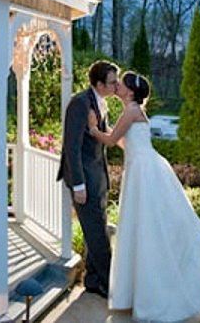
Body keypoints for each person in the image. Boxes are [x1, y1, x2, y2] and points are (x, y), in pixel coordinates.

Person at [88, 71, 200, 322]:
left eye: (122, 84)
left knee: (148, 228)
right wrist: (106, 129)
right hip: (143, 167)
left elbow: (112, 141)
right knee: (147, 227)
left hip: (143, 172)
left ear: (130, 92)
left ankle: (157, 296)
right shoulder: (133, 110)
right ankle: (147, 291)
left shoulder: (131, 110)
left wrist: (94, 128)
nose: (118, 86)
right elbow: (126, 143)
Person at [57, 60, 119, 298]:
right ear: (99, 84)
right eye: (112, 82)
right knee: (98, 236)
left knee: (97, 230)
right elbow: (71, 147)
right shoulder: (80, 103)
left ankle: (93, 280)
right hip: (85, 179)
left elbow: (103, 139)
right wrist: (79, 185)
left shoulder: (101, 102)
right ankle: (110, 285)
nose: (116, 86)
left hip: (98, 177)